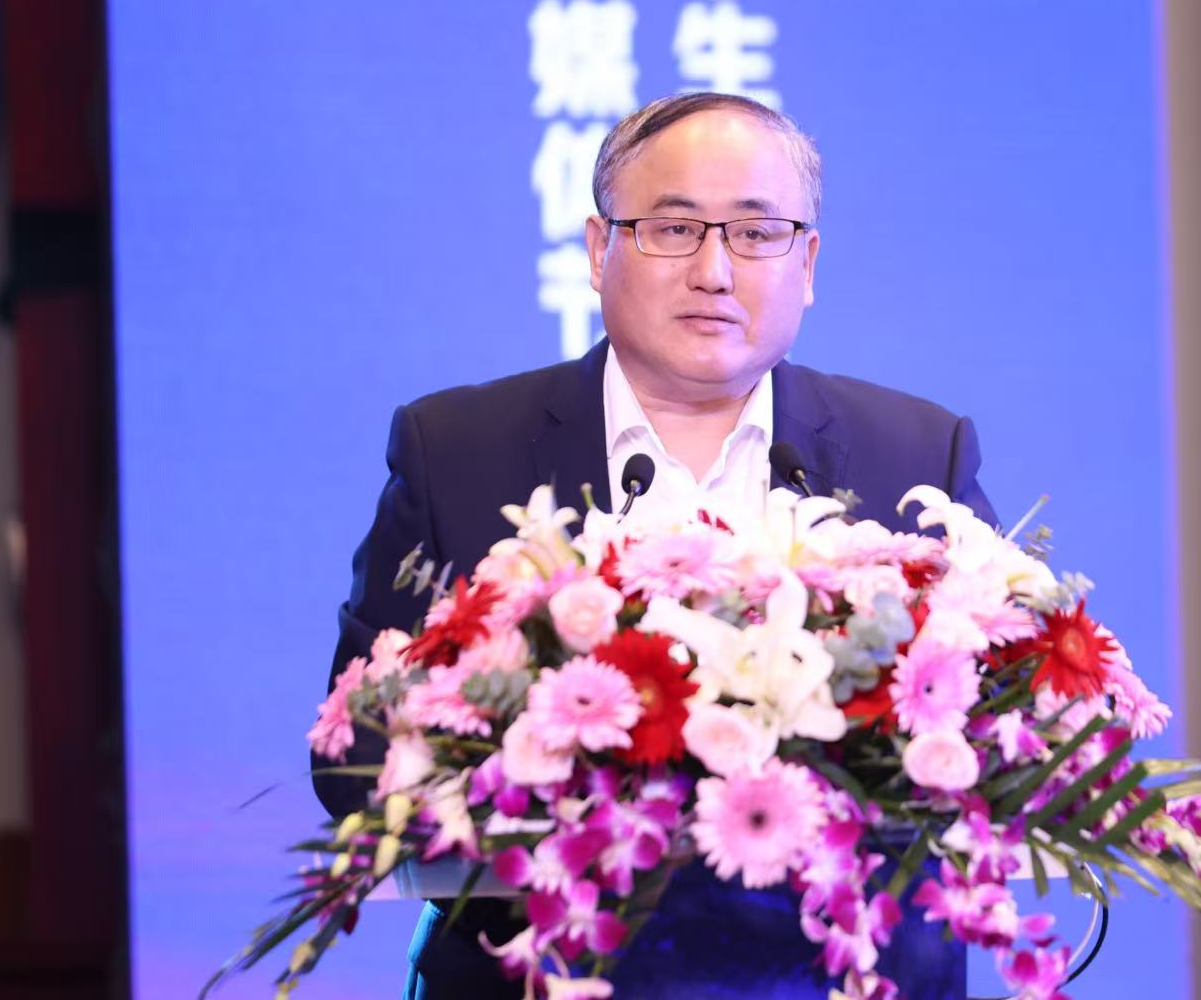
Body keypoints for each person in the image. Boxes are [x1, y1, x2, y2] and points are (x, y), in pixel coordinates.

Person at [316, 92, 996, 998]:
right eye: (673, 229)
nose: (713, 270)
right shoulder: (456, 448)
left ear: (806, 262)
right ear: (599, 248)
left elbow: (1001, 731)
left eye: (756, 234)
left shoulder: (914, 452)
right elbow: (355, 751)